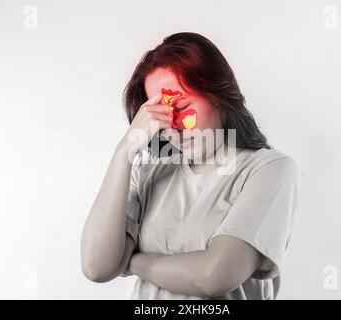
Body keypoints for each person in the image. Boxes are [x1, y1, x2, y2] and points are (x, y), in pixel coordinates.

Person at [80, 32, 302, 299]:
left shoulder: (270, 169)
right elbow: (96, 267)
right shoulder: (149, 173)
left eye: (181, 108)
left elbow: (215, 275)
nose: (173, 127)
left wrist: (131, 261)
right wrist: (123, 152)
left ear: (218, 93)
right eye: (161, 115)